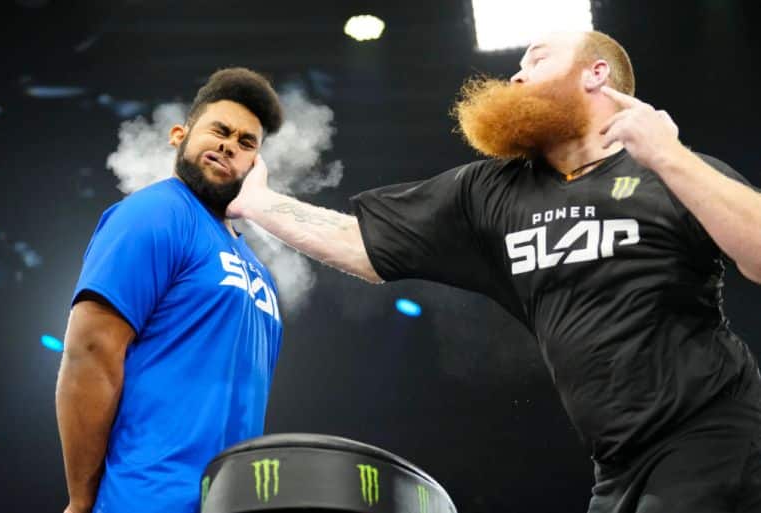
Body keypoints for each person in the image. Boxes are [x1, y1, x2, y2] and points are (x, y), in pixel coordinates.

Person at [226, 31, 761, 512]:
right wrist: (259, 203)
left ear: (595, 74)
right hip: (615, 466)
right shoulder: (494, 192)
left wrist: (669, 157)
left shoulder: (666, 169)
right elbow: (360, 244)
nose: (517, 74)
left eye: (538, 59)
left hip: (712, 435)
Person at [56, 68, 284, 513]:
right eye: (219, 130)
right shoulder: (154, 212)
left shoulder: (261, 271)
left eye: (245, 143)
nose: (229, 145)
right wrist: (81, 501)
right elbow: (90, 350)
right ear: (179, 135)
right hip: (145, 498)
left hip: (230, 502)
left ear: (256, 167)